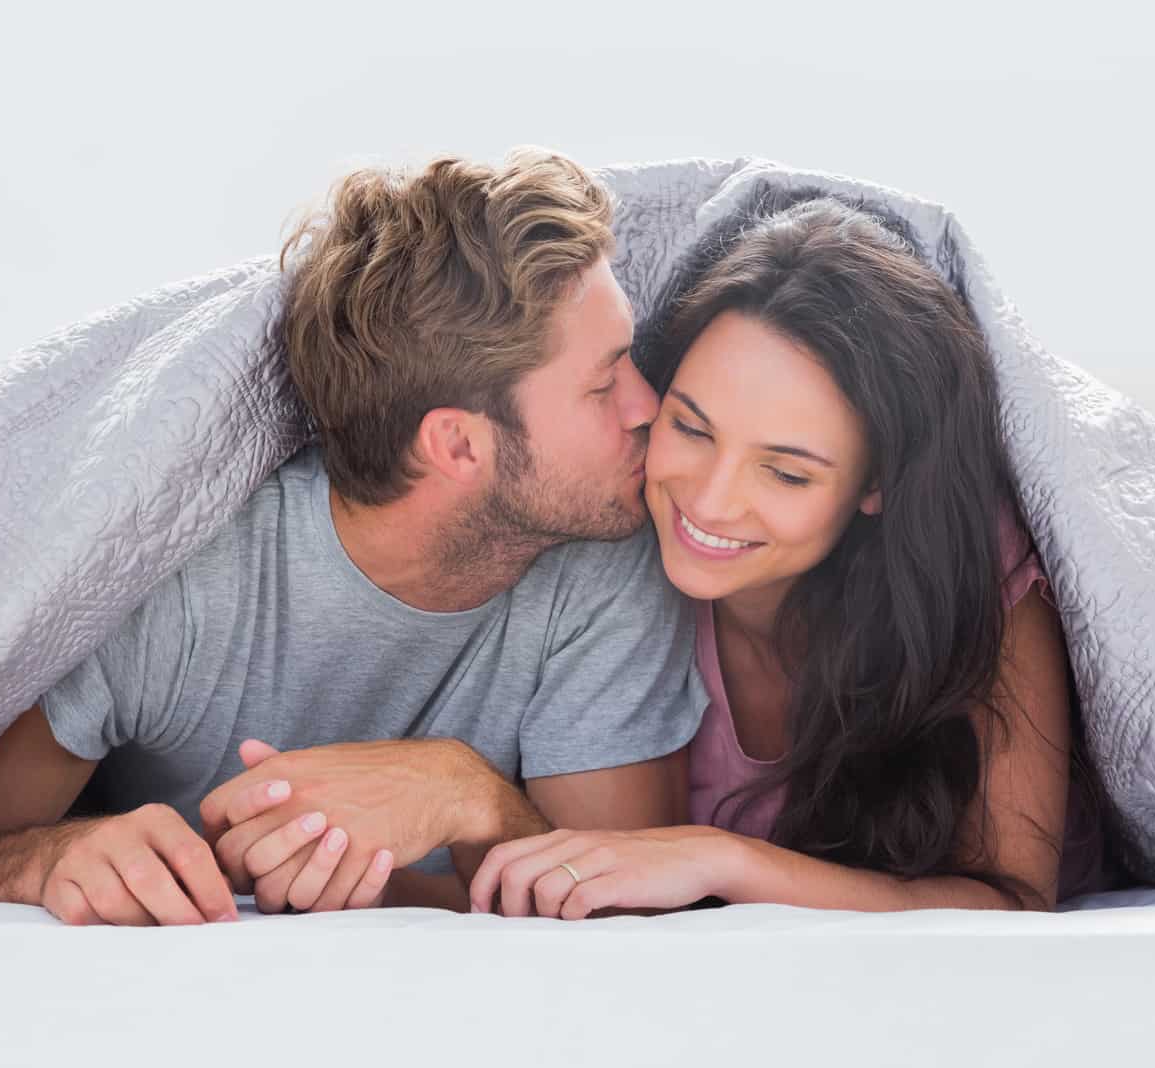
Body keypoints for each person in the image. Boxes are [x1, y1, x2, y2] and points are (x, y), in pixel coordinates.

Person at [0, 149, 709, 925]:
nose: (650, 406)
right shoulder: (185, 583)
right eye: (605, 383)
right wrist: (42, 861)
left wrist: (471, 798)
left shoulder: (604, 544)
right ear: (458, 444)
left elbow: (629, 913)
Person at [470, 193, 1112, 919]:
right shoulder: (606, 577)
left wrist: (720, 860)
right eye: (692, 427)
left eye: (785, 472)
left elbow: (1013, 901)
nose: (710, 502)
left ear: (876, 483)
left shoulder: (975, 575)